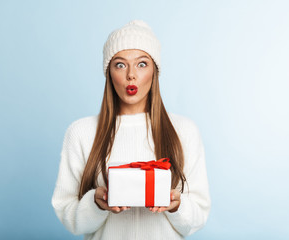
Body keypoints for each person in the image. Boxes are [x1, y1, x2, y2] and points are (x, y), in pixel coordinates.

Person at [51, 20, 211, 240]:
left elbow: (199, 215)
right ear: (109, 72)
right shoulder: (81, 132)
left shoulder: (184, 131)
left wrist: (177, 206)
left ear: (155, 71)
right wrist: (95, 204)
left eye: (142, 64)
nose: (131, 75)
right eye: (120, 64)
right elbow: (68, 215)